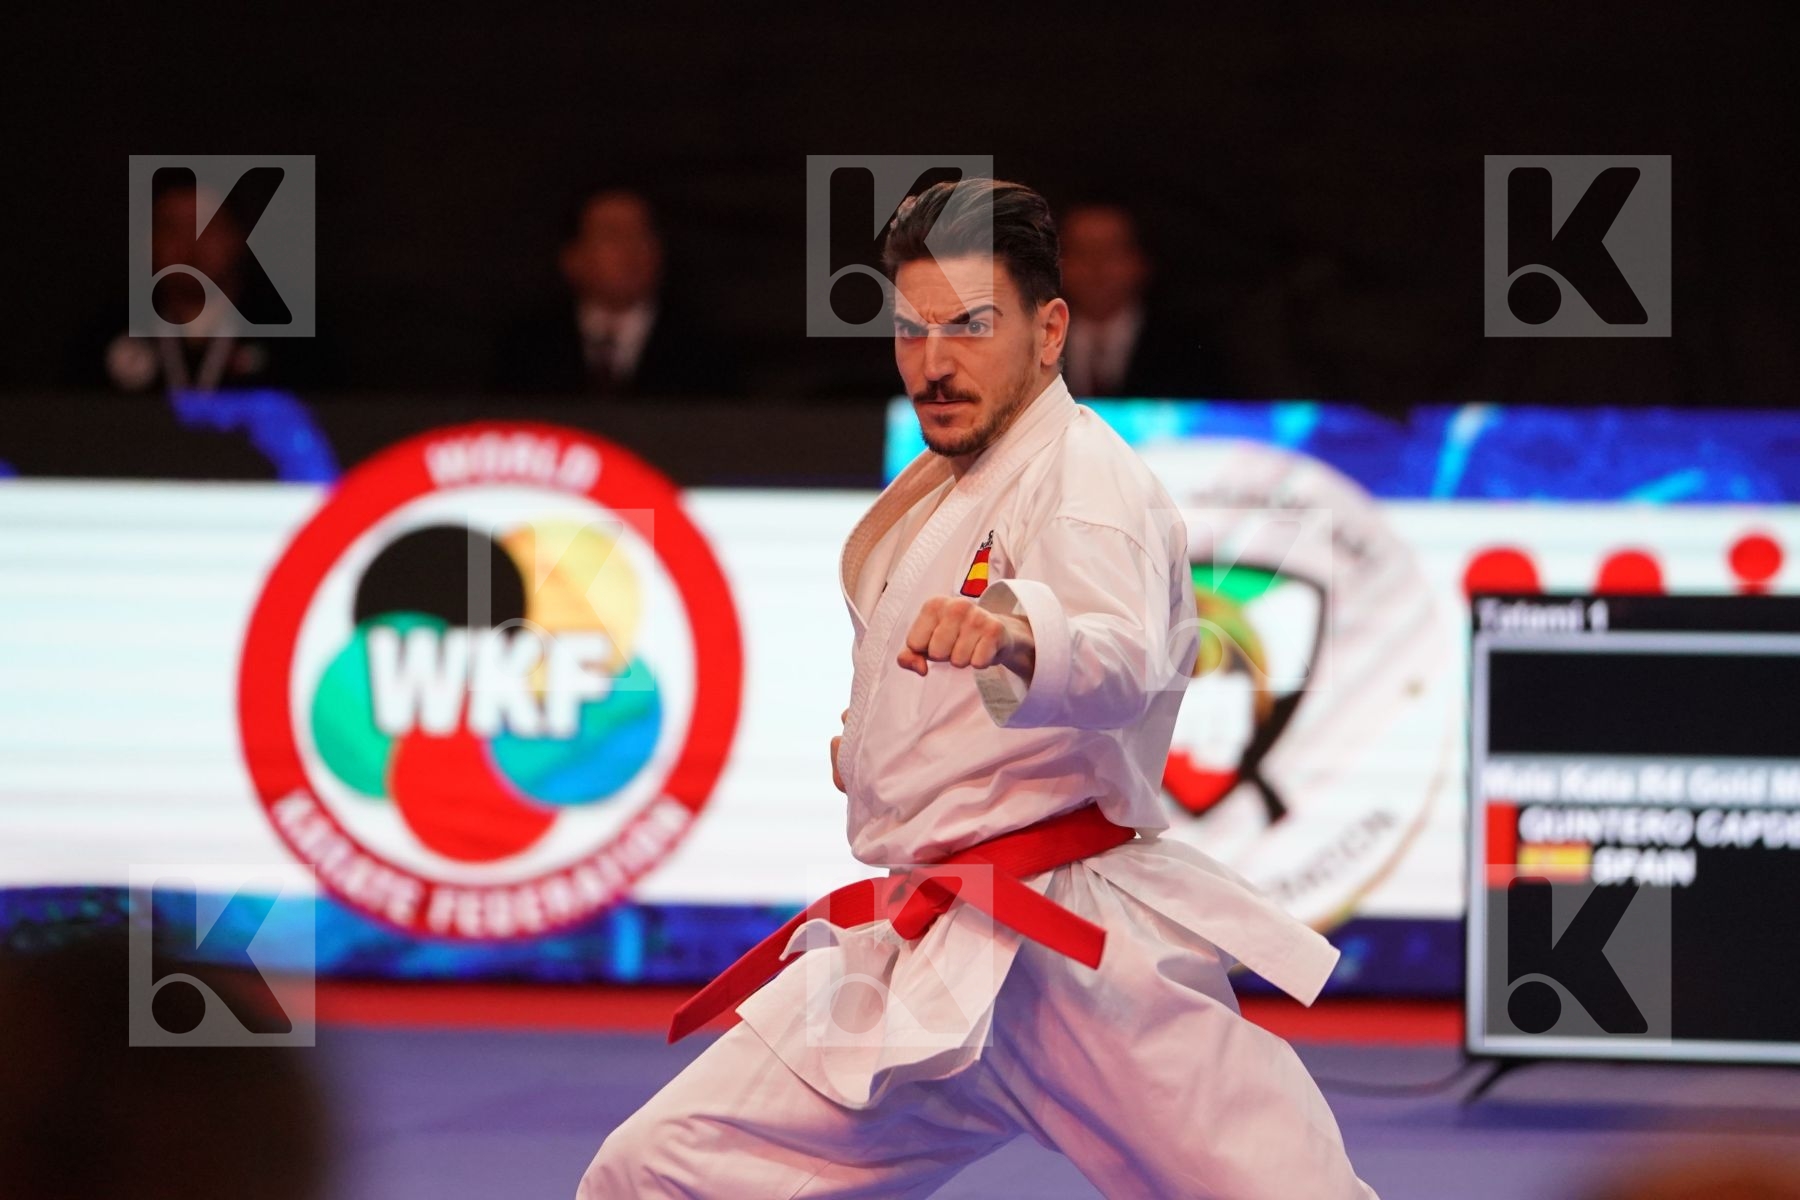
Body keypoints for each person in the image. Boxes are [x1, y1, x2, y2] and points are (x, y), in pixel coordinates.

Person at [578, 178, 1375, 1198]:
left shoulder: (1085, 481)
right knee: (661, 1170)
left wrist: (1019, 637)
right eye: (912, 331)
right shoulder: (962, 480)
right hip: (935, 945)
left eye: (969, 327)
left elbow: (1123, 659)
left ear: (1051, 332)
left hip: (1075, 957)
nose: (933, 362)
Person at [65, 175, 337, 394]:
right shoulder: (105, 333)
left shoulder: (292, 338)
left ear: (237, 237)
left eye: (206, 226)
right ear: (147, 242)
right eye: (172, 229)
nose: (190, 246)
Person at [490, 187, 738, 396]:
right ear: (572, 258)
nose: (630, 251)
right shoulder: (527, 349)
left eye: (641, 234)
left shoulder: (705, 350)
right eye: (612, 236)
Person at [1058, 200, 1230, 398]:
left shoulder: (1190, 352)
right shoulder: (1032, 346)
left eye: (1112, 251)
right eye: (1080, 251)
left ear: (1140, 261)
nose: (1096, 266)